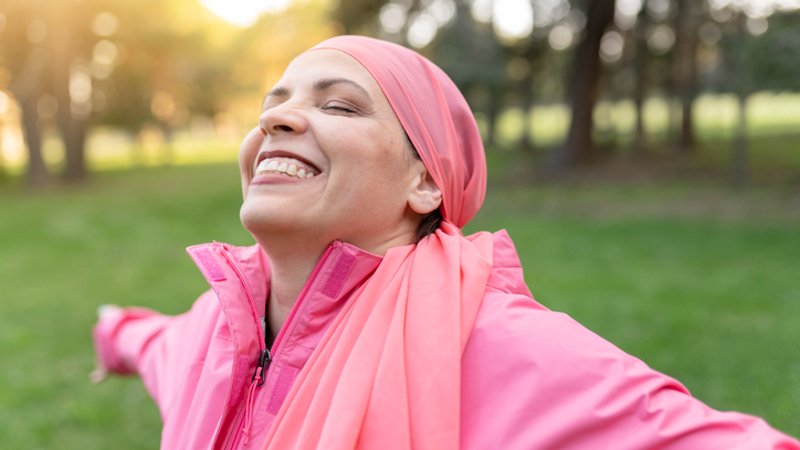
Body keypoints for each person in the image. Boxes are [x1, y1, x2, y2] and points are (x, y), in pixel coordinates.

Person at [91, 35, 800, 450]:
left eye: (337, 105)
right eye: (272, 105)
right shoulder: (215, 328)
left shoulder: (495, 346)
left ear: (426, 181)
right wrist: (114, 333)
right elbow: (153, 344)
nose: (278, 120)